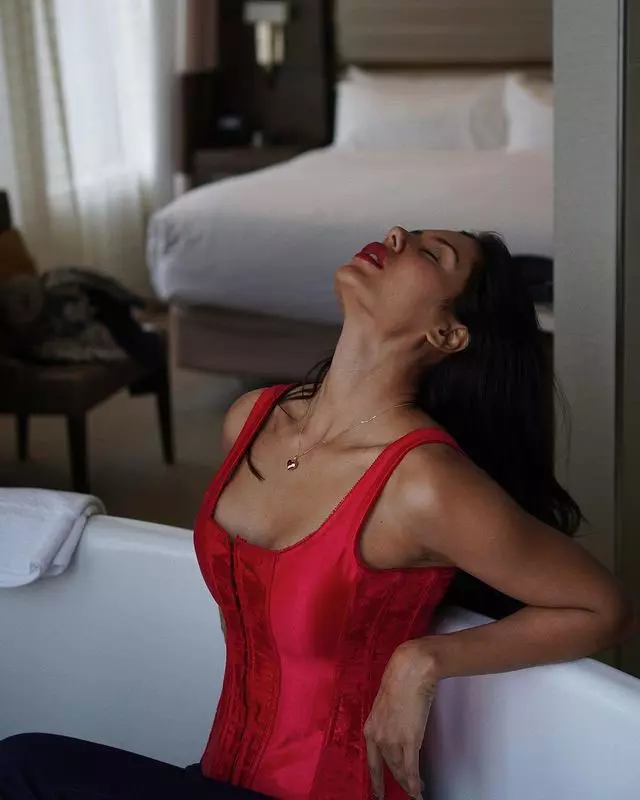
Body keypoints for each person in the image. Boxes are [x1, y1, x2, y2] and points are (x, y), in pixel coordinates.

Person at [0, 226, 634, 800]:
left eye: (431, 253)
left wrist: (424, 659)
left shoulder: (424, 485)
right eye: (408, 231)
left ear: (447, 334)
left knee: (24, 766)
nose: (397, 235)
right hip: (219, 776)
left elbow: (601, 607)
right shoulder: (251, 420)